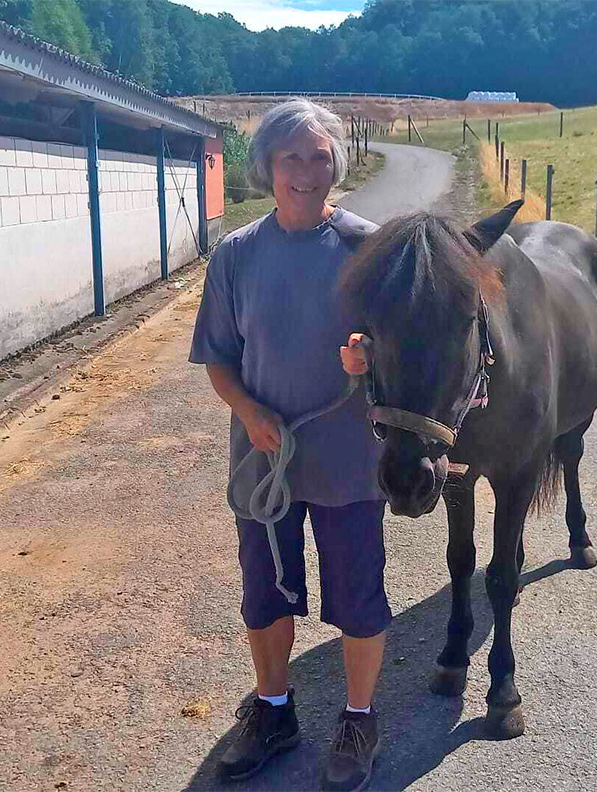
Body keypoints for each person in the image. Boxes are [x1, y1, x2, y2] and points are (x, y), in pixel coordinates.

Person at [189, 99, 386, 790]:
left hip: (349, 458)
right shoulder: (237, 256)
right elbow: (217, 357)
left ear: (337, 162)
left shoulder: (369, 248)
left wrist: (370, 358)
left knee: (357, 594)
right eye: (291, 157)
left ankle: (359, 719)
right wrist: (247, 411)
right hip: (263, 459)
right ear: (268, 165)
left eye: (319, 156)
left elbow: (407, 351)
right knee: (264, 595)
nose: (305, 171)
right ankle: (274, 711)